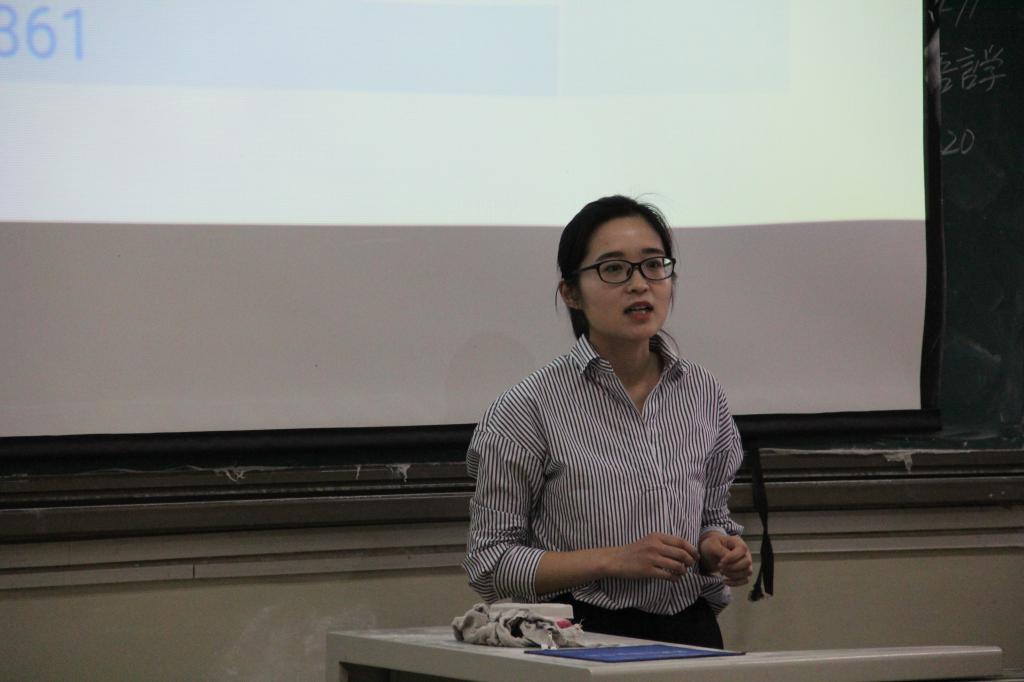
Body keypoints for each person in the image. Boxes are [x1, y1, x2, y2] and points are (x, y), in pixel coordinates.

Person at [461, 195, 752, 648]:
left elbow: (712, 517)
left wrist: (717, 547)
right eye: (614, 269)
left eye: (653, 265)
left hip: (690, 630)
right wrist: (613, 560)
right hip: (579, 636)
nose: (639, 285)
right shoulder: (527, 407)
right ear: (571, 293)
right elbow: (491, 562)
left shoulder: (703, 393)